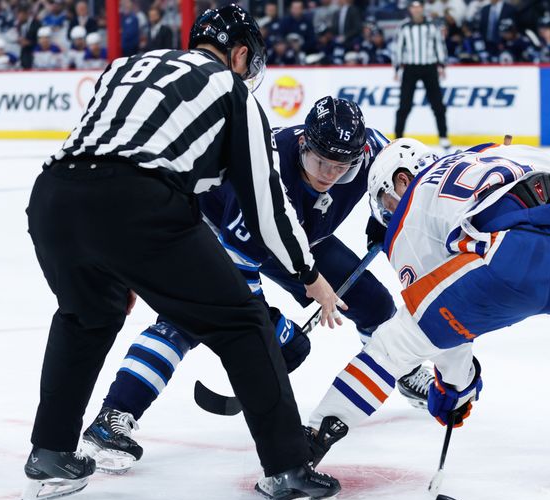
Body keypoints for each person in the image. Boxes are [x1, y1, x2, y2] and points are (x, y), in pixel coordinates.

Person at [21, 5, 342, 500]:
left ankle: (51, 452)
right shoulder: (231, 90)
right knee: (242, 322)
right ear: (240, 54)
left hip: (55, 196)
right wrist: (309, 275)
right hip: (137, 204)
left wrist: (115, 266)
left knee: (85, 316)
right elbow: (267, 205)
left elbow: (107, 148)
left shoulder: (127, 64)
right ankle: (290, 470)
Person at [300, 138, 550, 469]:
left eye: (386, 199)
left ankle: (309, 444)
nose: (389, 211)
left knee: (396, 344)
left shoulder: (410, 210)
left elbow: (444, 326)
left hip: (515, 258)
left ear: (401, 181)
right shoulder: (483, 152)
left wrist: (455, 386)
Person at [79, 97, 437, 475]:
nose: (329, 174)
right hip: (216, 233)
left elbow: (407, 174)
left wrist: (386, 214)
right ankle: (114, 415)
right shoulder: (265, 172)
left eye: (341, 166)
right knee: (183, 321)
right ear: (303, 145)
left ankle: (404, 370)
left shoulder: (370, 153)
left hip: (300, 238)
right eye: (319, 162)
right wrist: (268, 326)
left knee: (373, 304)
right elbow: (240, 274)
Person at [393, 1, 450, 150]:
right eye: (414, 7)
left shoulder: (432, 26)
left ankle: (443, 136)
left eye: (419, 7)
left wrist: (442, 65)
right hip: (410, 68)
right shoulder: (404, 27)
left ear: (422, 8)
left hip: (429, 67)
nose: (416, 10)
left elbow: (439, 45)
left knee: (438, 104)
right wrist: (397, 69)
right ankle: (398, 137)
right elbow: (398, 48)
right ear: (410, 9)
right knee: (404, 105)